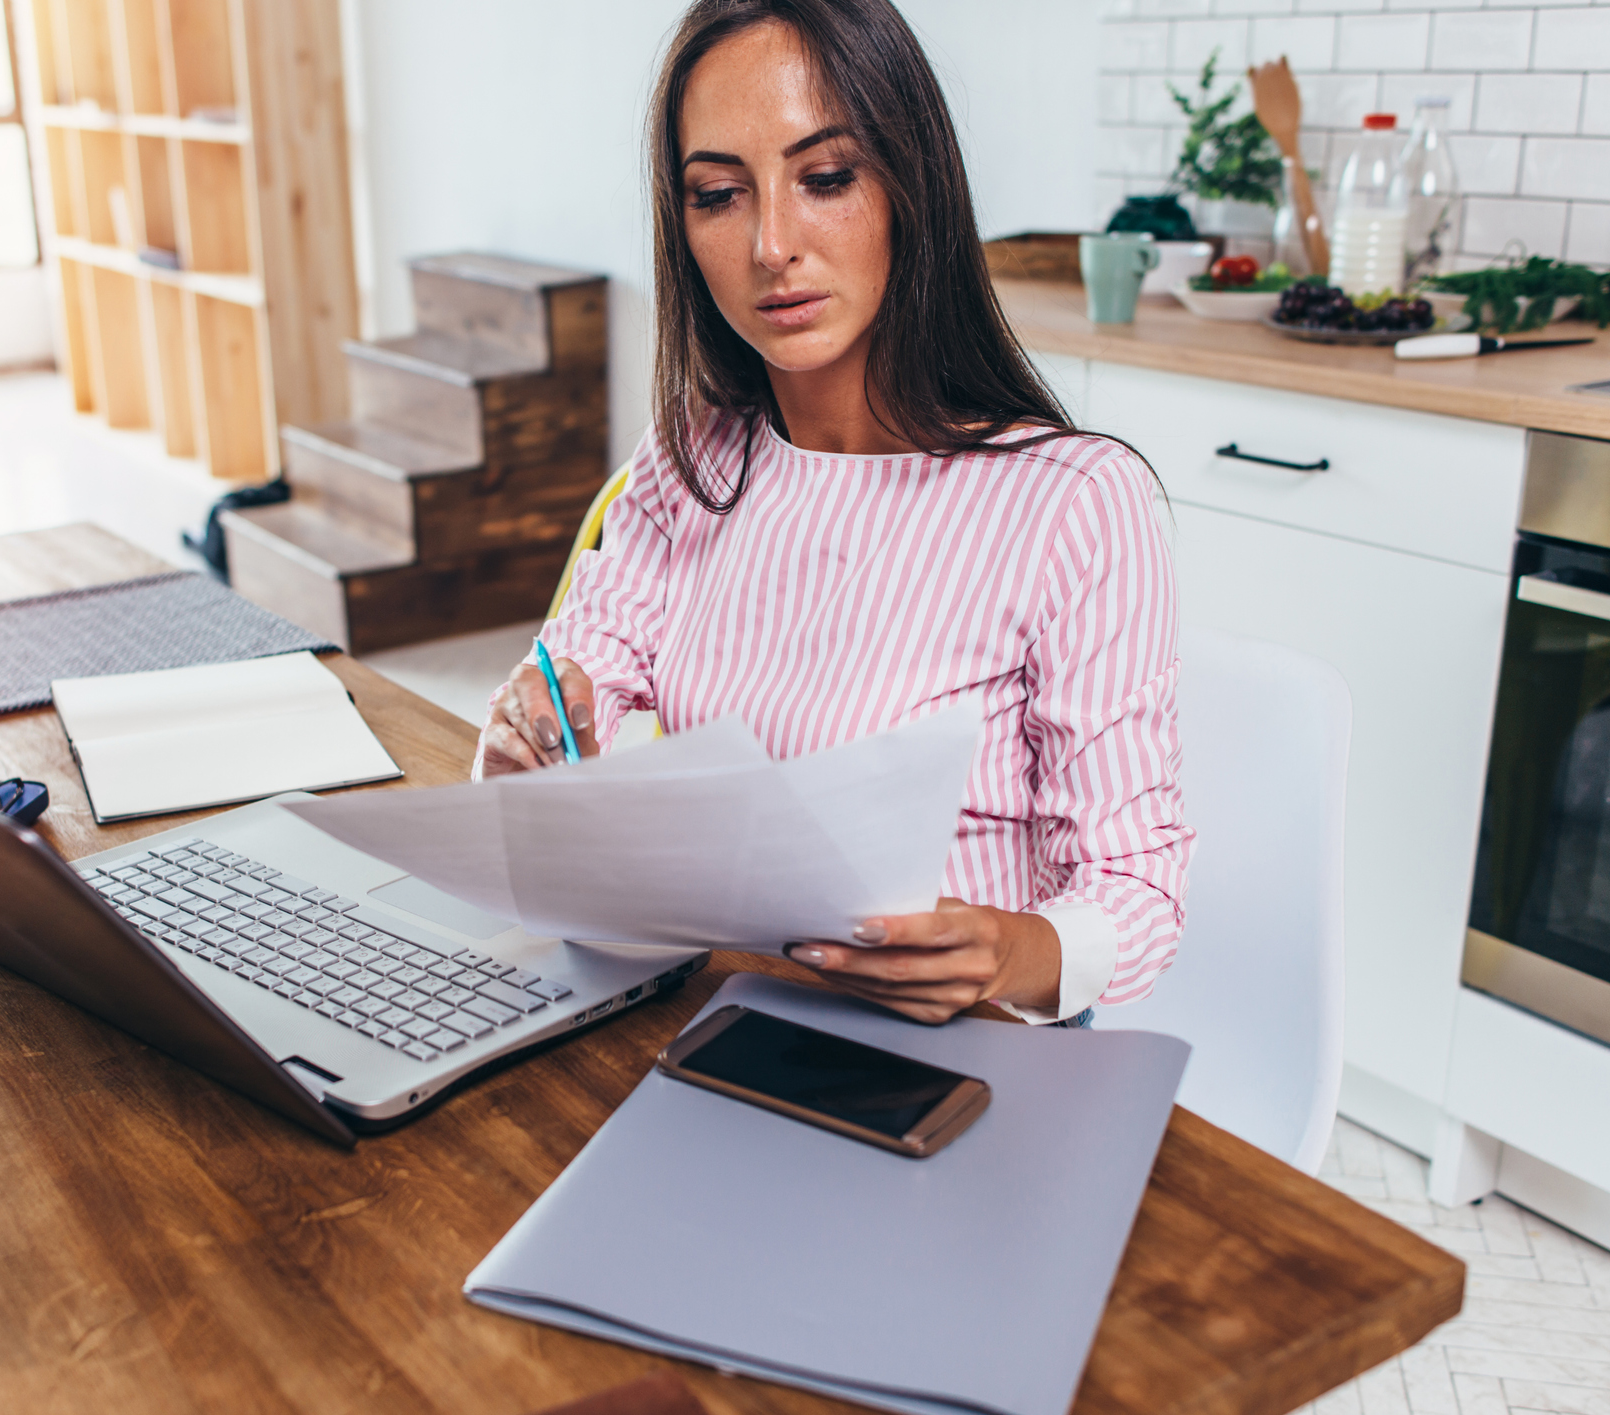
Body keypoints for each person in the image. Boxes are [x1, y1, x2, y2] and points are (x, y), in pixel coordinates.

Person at [476, 0, 1191, 1028]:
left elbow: (1137, 892)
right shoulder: (700, 442)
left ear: (910, 184)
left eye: (824, 178)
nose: (772, 244)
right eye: (719, 194)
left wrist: (1005, 950)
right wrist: (538, 726)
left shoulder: (1073, 501)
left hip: (956, 1055)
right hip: (723, 1008)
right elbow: (581, 664)